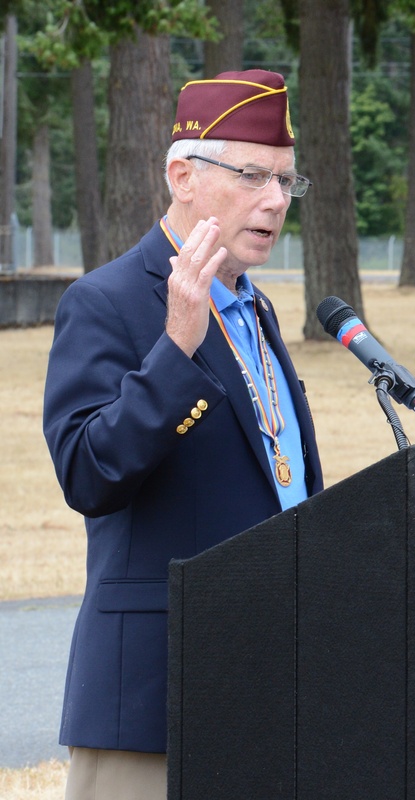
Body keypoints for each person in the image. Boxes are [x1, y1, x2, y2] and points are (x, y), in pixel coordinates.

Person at [42, 69, 323, 799]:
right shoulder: (105, 300)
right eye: (253, 176)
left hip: (267, 684)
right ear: (182, 175)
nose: (274, 201)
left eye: (287, 182)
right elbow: (88, 475)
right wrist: (175, 346)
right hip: (155, 695)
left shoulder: (256, 310)